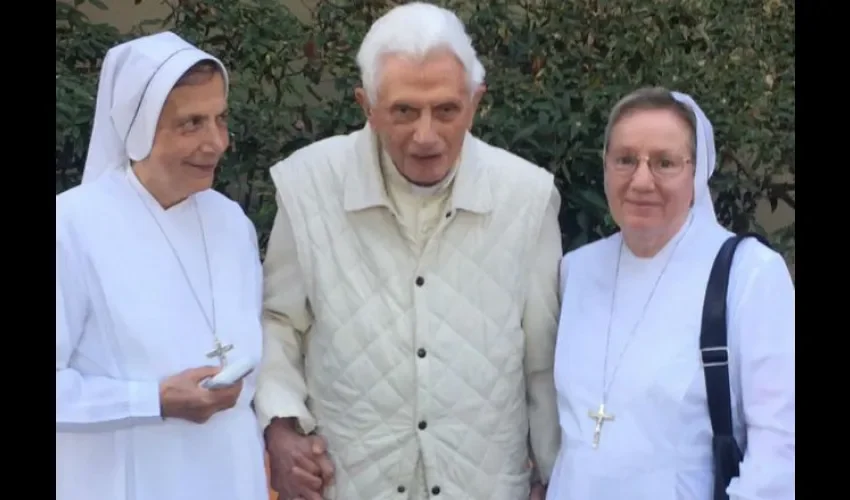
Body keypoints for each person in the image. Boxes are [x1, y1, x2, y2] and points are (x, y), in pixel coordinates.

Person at [254, 3, 562, 499]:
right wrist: (281, 425)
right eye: (403, 111)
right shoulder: (307, 185)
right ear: (366, 106)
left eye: (446, 110)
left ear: (475, 102)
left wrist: (553, 475)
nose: (426, 136)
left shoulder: (527, 197)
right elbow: (278, 320)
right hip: (350, 481)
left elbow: (541, 358)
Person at [546, 87, 795, 499]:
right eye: (625, 159)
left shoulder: (749, 274)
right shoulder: (578, 269)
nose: (641, 180)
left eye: (664, 163)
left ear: (696, 173)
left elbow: (781, 443)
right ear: (605, 165)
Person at [56, 31, 267, 500]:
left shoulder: (232, 223)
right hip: (126, 479)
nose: (216, 142)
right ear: (139, 129)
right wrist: (152, 400)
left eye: (220, 119)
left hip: (231, 474)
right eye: (191, 123)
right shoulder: (70, 226)